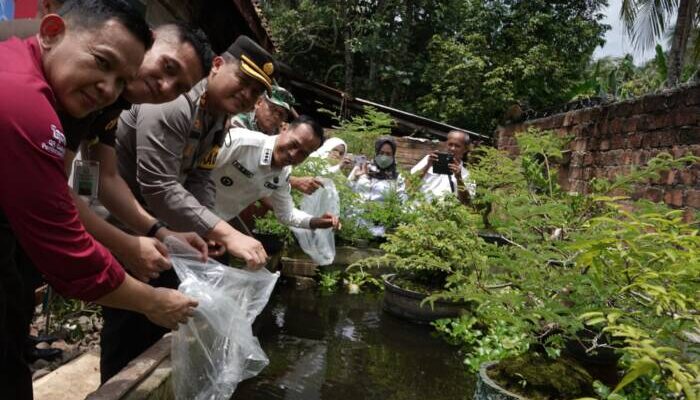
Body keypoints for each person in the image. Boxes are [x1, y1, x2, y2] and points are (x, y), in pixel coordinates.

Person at [0, 1, 197, 398]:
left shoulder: (89, 93)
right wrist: (150, 300)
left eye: (122, 80)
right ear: (52, 30)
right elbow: (64, 245)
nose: (108, 87)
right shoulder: (24, 100)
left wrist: (155, 231)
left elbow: (94, 178)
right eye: (103, 63)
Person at [105, 35, 274, 383]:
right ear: (216, 66)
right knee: (126, 325)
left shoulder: (217, 118)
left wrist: (205, 229)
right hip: (122, 221)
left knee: (162, 317)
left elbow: (200, 178)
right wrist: (224, 231)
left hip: (165, 228)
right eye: (243, 81)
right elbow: (158, 185)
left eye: (256, 92)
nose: (246, 95)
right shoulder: (174, 102)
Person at [213, 115, 341, 231]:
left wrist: (318, 222)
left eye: (303, 153)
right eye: (294, 144)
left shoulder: (282, 175)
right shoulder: (240, 142)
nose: (293, 154)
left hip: (213, 226)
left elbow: (286, 213)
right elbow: (195, 173)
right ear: (284, 129)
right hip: (198, 213)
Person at [410, 130, 476, 204]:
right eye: (450, 144)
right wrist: (427, 166)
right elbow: (409, 183)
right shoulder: (429, 159)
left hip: (443, 214)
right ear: (445, 144)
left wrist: (459, 178)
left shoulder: (466, 175)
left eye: (457, 146)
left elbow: (467, 202)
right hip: (418, 211)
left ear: (465, 149)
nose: (452, 148)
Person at [230, 84, 295, 135]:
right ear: (259, 103)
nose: (276, 116)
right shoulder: (239, 122)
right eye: (273, 109)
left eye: (281, 114)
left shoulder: (279, 134)